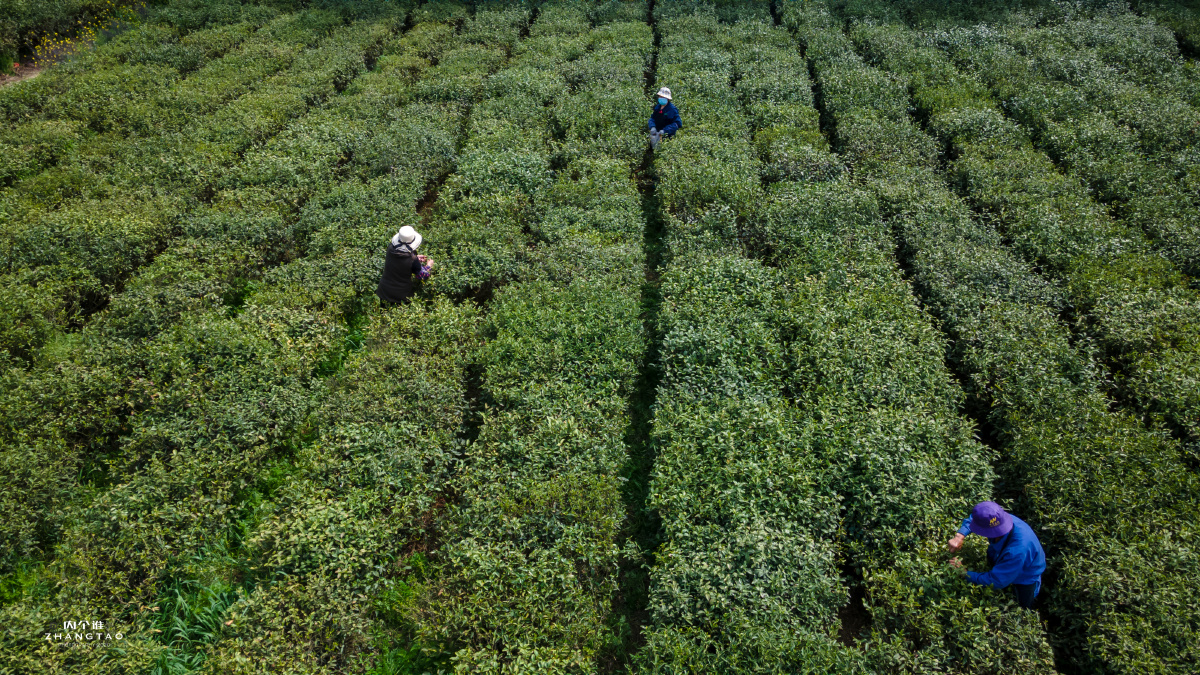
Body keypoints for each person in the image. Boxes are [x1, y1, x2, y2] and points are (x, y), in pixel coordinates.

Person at [948, 501, 1046, 609]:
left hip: (1026, 575)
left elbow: (996, 581)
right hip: (1002, 553)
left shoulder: (1016, 551)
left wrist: (964, 573)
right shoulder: (999, 519)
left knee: (1023, 604)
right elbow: (976, 519)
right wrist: (959, 536)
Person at [376, 225, 433, 305]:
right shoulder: (412, 260)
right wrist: (429, 265)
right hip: (400, 296)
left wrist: (416, 258)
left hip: (384, 291)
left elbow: (400, 259)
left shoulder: (391, 248)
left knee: (383, 314)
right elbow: (422, 275)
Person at [648, 86, 682, 150]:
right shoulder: (658, 107)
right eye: (660, 96)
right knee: (653, 149)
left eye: (663, 97)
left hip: (667, 137)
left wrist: (665, 131)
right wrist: (652, 127)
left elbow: (678, 124)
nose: (661, 98)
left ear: (667, 98)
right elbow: (652, 118)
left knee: (662, 150)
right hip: (656, 134)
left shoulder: (672, 109)